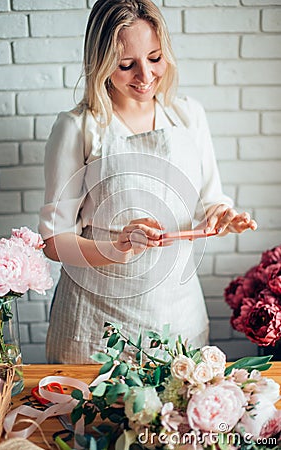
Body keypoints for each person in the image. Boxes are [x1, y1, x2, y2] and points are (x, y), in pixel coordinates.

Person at [39, 0, 257, 364]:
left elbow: (208, 198)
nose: (145, 76)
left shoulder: (188, 115)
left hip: (178, 315)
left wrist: (222, 215)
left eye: (155, 58)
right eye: (126, 65)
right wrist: (116, 248)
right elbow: (53, 242)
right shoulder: (77, 127)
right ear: (101, 64)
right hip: (94, 325)